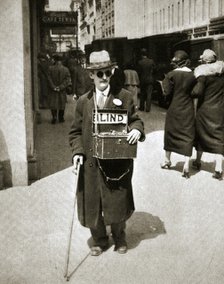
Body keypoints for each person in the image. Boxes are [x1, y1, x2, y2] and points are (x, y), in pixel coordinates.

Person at [69, 50, 145, 256]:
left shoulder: (124, 96)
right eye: (99, 73)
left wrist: (137, 129)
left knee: (117, 200)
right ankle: (100, 239)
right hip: (91, 162)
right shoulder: (83, 101)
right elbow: (75, 132)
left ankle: (120, 236)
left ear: (112, 72)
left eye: (107, 73)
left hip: (116, 162)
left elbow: (135, 119)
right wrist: (77, 152)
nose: (104, 78)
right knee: (93, 202)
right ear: (91, 75)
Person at [161, 50, 196, 178]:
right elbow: (196, 92)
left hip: (174, 108)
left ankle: (167, 160)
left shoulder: (170, 75)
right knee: (187, 134)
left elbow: (166, 93)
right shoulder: (193, 75)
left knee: (170, 133)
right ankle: (186, 165)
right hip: (188, 109)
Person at [191, 49, 224, 180]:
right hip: (220, 109)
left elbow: (197, 92)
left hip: (205, 109)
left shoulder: (203, 74)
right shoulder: (222, 72)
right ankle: (218, 168)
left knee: (201, 135)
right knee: (219, 137)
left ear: (204, 60)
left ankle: (198, 162)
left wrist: (190, 91)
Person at [48, 54, 71, 124]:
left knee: (53, 103)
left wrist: (53, 86)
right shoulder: (66, 69)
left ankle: (54, 117)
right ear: (62, 61)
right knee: (62, 103)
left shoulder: (50, 68)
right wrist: (61, 87)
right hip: (62, 90)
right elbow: (67, 80)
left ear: (55, 60)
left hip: (53, 89)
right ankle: (61, 118)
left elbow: (48, 79)